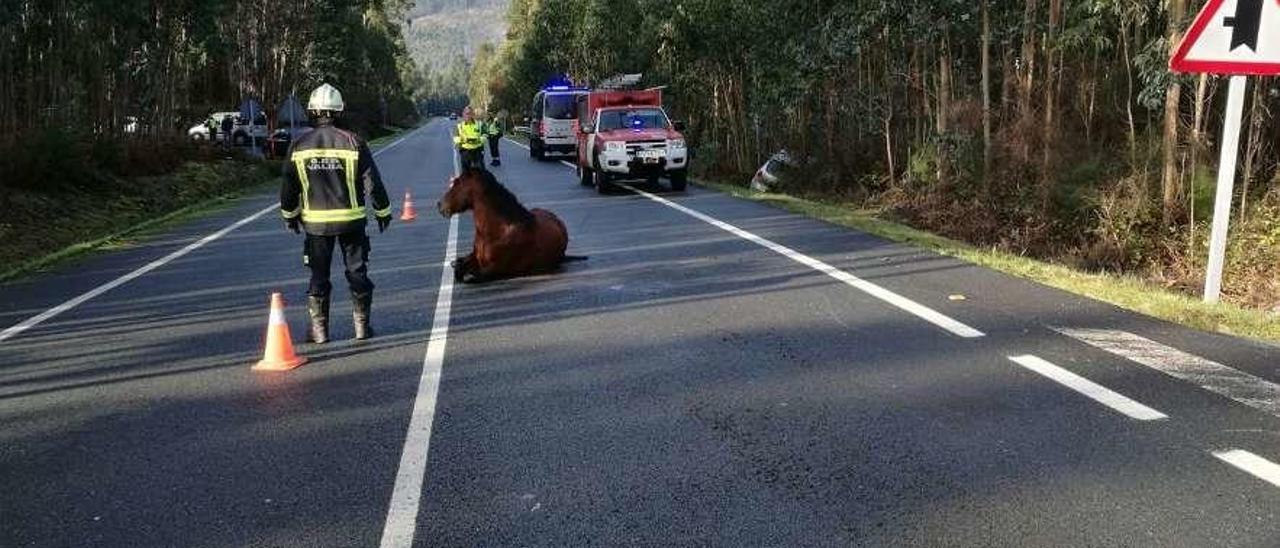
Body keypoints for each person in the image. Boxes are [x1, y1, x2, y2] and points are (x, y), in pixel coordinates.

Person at [280, 83, 393, 344]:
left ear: (313, 112)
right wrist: (382, 212)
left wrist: (290, 215)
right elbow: (372, 182)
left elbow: (288, 187)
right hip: (351, 221)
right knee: (357, 272)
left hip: (316, 225)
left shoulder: (298, 145)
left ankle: (319, 332)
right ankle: (362, 327)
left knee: (319, 276)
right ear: (338, 111)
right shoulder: (353, 142)